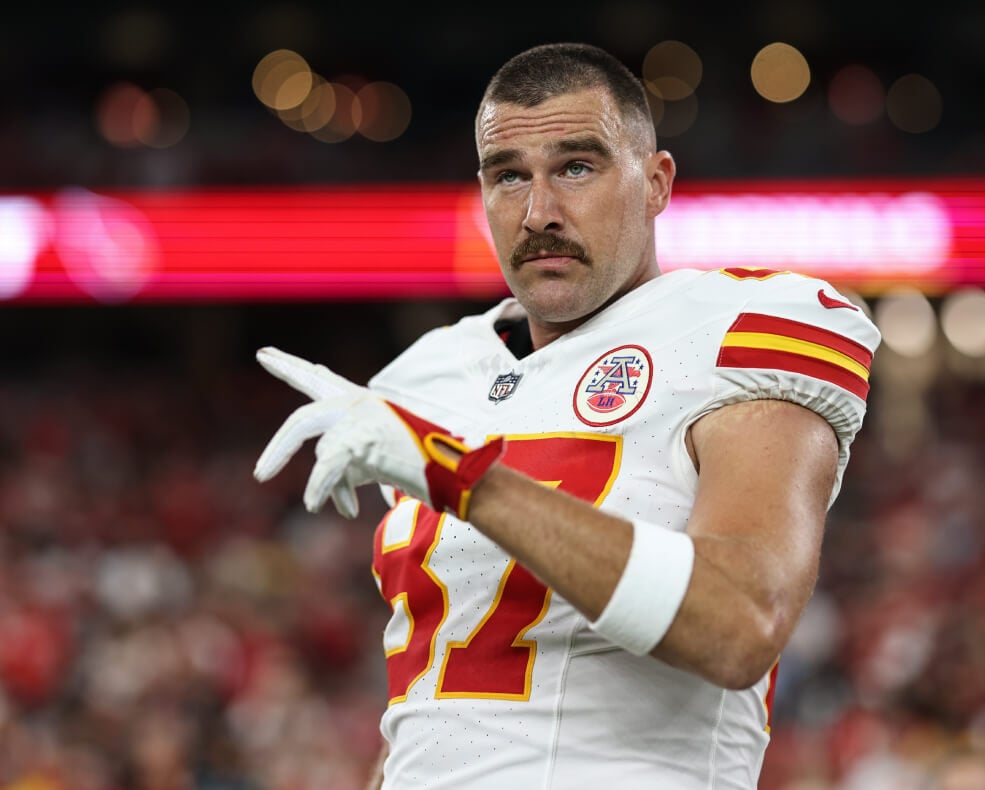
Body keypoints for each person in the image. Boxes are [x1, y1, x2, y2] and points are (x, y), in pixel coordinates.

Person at [254, 42, 880, 789]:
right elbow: (435, 704)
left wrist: (460, 476)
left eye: (576, 167)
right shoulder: (426, 376)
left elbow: (741, 624)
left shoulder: (734, 327)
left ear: (655, 183)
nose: (539, 212)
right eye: (508, 175)